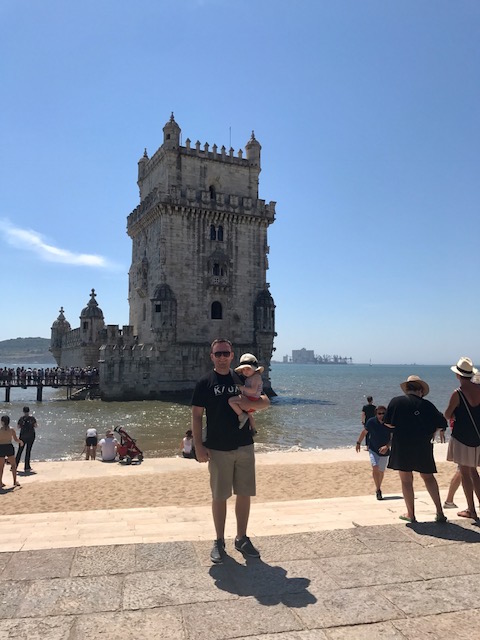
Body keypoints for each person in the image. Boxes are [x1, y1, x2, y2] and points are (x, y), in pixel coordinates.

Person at [191, 338, 270, 563]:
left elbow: (264, 400)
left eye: (226, 353)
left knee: (244, 493)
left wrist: (258, 405)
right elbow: (196, 416)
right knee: (219, 496)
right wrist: (199, 446)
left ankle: (242, 538)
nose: (223, 357)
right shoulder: (205, 382)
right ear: (212, 357)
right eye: (218, 354)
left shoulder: (243, 376)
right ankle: (218, 540)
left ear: (232, 356)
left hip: (244, 445)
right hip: (217, 448)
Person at [384, 375, 447, 523]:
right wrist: (432, 431)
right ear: (420, 390)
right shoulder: (428, 405)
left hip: (402, 444)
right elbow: (442, 423)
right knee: (428, 477)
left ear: (407, 389)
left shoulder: (396, 402)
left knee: (406, 480)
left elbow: (388, 424)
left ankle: (411, 514)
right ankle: (439, 512)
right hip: (423, 445)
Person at [445, 357, 480, 521]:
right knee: (474, 472)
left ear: (458, 375)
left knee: (465, 473)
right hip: (477, 437)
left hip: (461, 437)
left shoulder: (457, 393)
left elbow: (447, 414)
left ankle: (471, 509)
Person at [355, 405, 391, 500]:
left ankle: (378, 486)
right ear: (376, 414)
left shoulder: (389, 422)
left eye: (383, 413)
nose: (381, 415)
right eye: (379, 413)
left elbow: (393, 437)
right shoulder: (371, 422)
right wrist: (358, 443)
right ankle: (378, 489)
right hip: (373, 449)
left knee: (381, 471)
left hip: (385, 450)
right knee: (375, 466)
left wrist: (387, 446)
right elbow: (364, 432)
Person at [228, 353, 265, 432]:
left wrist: (242, 388)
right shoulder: (252, 376)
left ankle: (242, 416)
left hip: (251, 398)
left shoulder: (256, 377)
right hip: (251, 398)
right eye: (243, 369)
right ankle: (253, 429)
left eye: (248, 369)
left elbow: (253, 390)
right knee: (249, 415)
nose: (245, 371)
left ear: (254, 369)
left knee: (231, 401)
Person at [0, 415, 22, 488]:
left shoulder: (0, 430)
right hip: (9, 447)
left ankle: (0, 482)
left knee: (1, 466)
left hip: (1, 447)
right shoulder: (11, 429)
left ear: (2, 422)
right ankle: (15, 481)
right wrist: (21, 442)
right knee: (13, 465)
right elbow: (16, 439)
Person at [15, 406, 37, 473]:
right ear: (29, 411)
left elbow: (18, 427)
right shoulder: (32, 418)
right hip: (31, 436)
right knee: (28, 451)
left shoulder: (21, 419)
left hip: (23, 436)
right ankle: (27, 467)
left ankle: (14, 466)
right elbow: (36, 426)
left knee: (19, 451)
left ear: (23, 411)